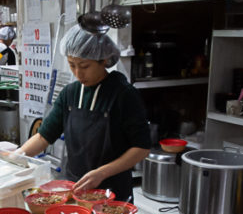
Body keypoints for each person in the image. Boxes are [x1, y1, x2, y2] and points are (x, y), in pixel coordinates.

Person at [15, 27, 150, 202]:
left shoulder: (124, 94)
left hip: (111, 192)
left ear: (104, 61)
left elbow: (141, 148)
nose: (78, 73)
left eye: (84, 66)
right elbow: (43, 137)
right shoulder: (70, 93)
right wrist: (16, 157)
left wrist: (101, 173)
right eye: (72, 65)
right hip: (73, 187)